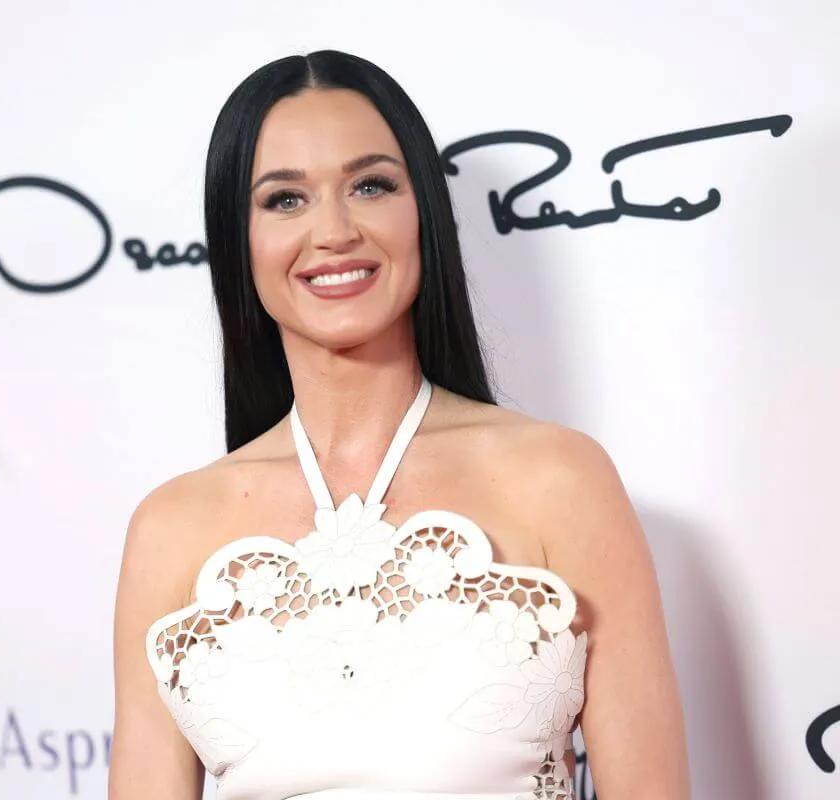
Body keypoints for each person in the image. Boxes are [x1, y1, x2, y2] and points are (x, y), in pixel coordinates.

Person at [110, 49, 689, 800]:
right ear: (236, 239)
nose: (334, 231)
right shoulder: (172, 526)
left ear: (424, 213)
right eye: (285, 200)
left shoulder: (559, 477)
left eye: (370, 185)